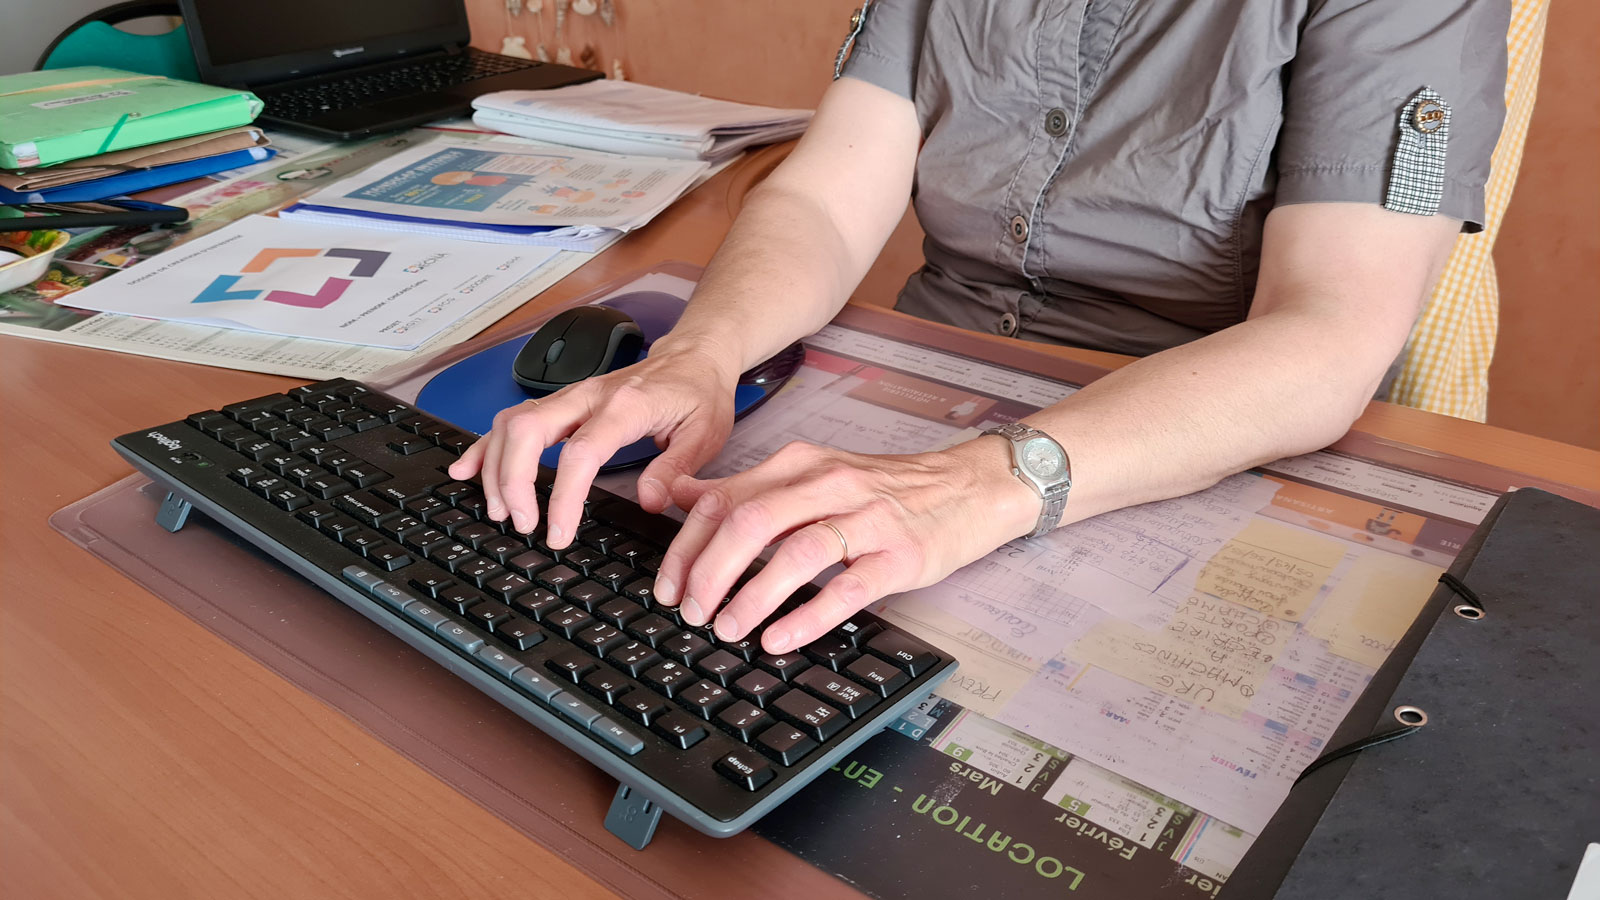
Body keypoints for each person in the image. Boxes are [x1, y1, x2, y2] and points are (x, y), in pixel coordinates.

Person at [451, 0, 1509, 656]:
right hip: (918, 386)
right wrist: (700, 353)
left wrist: (984, 484)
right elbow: (826, 195)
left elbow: (1328, 334)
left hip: (1169, 439)